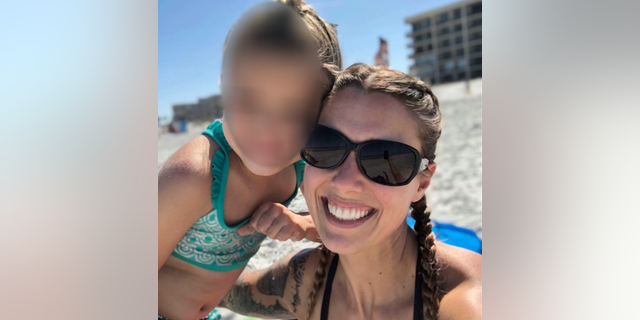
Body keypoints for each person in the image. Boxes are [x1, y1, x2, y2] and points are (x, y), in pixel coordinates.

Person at [219, 64, 482, 320]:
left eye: (385, 159)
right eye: (325, 145)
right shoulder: (305, 282)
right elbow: (214, 290)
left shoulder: (467, 303)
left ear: (422, 183)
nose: (345, 182)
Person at [157, 1, 342, 319]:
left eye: (294, 110)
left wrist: (301, 225)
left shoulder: (302, 165)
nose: (267, 128)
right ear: (222, 86)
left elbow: (345, 231)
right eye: (247, 99)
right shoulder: (194, 175)